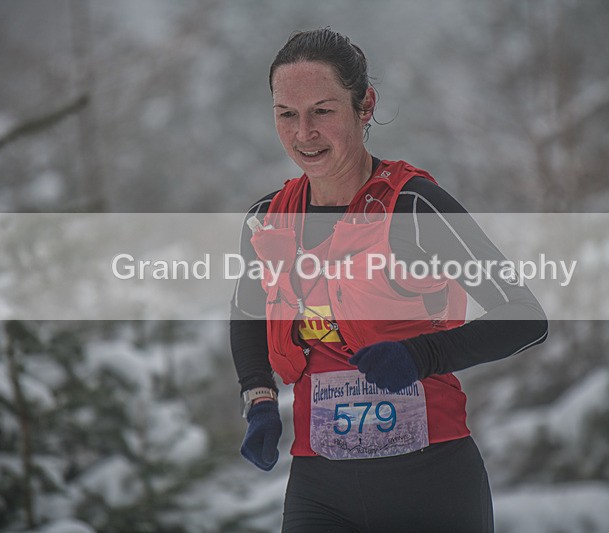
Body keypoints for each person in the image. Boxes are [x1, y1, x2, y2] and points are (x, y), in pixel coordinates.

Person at [230, 28, 547, 533]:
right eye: (286, 114)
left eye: (323, 111)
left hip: (432, 481)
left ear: (365, 105)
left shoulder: (415, 207)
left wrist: (420, 356)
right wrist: (259, 401)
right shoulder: (268, 217)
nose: (304, 132)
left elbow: (525, 317)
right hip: (320, 486)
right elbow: (247, 315)